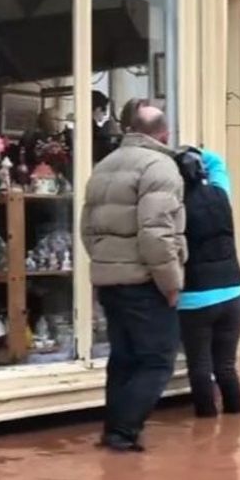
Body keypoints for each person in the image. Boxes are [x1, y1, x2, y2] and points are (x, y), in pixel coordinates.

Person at [81, 104, 186, 452]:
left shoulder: (104, 165)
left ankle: (114, 430)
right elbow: (157, 232)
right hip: (145, 282)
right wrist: (170, 283)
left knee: (123, 358)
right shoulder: (161, 166)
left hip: (110, 281)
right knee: (157, 360)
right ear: (164, 134)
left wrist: (104, 265)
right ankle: (122, 434)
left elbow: (87, 228)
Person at [176, 147, 240, 417]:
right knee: (226, 366)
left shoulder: (178, 207)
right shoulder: (221, 194)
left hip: (195, 297)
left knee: (200, 368)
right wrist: (198, 150)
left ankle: (205, 426)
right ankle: (235, 424)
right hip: (232, 292)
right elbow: (218, 162)